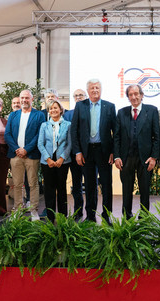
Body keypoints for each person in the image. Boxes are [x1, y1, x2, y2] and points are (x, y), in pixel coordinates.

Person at [71, 79, 116, 223]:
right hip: (87, 152)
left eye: (97, 87)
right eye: (92, 88)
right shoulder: (80, 106)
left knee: (107, 184)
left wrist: (113, 152)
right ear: (88, 91)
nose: (95, 90)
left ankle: (106, 215)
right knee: (90, 185)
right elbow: (74, 131)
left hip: (104, 151)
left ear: (101, 90)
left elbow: (116, 132)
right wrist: (78, 152)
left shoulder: (109, 107)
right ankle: (90, 216)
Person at [114, 84, 160, 218]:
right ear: (128, 97)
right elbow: (116, 136)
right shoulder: (121, 112)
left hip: (145, 158)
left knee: (145, 190)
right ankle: (127, 217)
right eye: (130, 94)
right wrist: (117, 156)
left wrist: (154, 157)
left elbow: (157, 136)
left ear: (141, 95)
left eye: (136, 94)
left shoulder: (152, 111)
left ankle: (144, 217)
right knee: (126, 189)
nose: (134, 97)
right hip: (126, 158)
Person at [5, 89, 45, 221]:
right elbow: (7, 134)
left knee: (33, 183)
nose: (24, 100)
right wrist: (17, 149)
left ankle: (33, 211)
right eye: (22, 98)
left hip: (31, 155)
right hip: (15, 155)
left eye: (27, 98)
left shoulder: (39, 115)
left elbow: (39, 135)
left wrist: (26, 149)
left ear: (32, 99)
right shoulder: (13, 115)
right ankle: (17, 209)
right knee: (17, 184)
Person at [38, 100, 72, 223]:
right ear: (48, 111)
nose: (53, 110)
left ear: (60, 109)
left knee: (62, 189)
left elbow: (70, 144)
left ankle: (63, 217)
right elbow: (40, 144)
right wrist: (48, 159)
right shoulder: (44, 125)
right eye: (51, 108)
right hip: (47, 162)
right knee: (49, 189)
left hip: (63, 161)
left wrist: (62, 158)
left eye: (55, 108)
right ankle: (50, 216)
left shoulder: (68, 124)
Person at [64, 89, 88, 220]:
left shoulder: (91, 111)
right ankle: (78, 212)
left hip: (90, 155)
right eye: (76, 95)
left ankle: (91, 212)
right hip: (74, 155)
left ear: (86, 97)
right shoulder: (68, 114)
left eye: (81, 95)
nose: (78, 97)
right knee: (77, 185)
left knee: (91, 185)